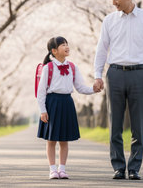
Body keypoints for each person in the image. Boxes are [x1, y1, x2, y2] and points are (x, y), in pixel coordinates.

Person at [93, 0, 143, 180]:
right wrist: (98, 75)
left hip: (140, 73)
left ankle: (135, 168)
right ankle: (119, 167)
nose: (114, 2)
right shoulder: (109, 21)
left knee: (138, 124)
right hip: (115, 74)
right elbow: (101, 49)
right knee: (115, 123)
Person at [37, 36, 100, 179]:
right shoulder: (48, 68)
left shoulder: (72, 66)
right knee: (51, 140)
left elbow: (80, 87)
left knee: (64, 139)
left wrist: (93, 89)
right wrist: (42, 110)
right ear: (54, 50)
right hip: (52, 103)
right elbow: (41, 91)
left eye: (67, 44)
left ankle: (62, 169)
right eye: (62, 45)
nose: (66, 46)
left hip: (67, 103)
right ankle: (52, 169)